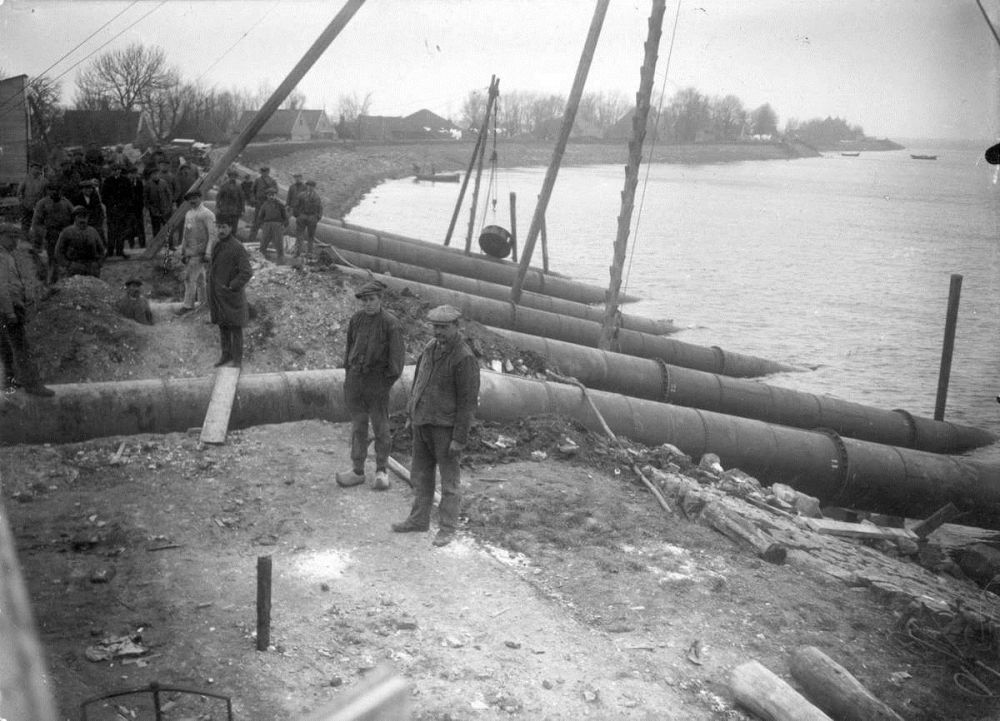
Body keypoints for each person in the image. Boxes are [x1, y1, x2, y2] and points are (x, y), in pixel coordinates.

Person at [392, 304, 480, 547]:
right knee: (420, 475)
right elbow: (419, 382)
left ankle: (448, 528)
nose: (438, 332)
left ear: (456, 327)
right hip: (423, 422)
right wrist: (411, 413)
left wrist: (459, 438)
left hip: (445, 428)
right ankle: (419, 519)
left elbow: (468, 402)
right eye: (435, 327)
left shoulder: (464, 358)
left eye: (444, 327)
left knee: (449, 483)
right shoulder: (430, 348)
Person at [336, 280, 405, 491]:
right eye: (364, 300)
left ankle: (381, 471)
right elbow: (349, 350)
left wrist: (383, 385)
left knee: (381, 428)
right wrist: (350, 376)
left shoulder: (391, 324)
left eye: (371, 299)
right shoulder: (356, 320)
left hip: (377, 384)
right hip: (356, 381)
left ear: (380, 299)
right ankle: (357, 471)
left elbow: (396, 363)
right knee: (358, 427)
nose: (367, 304)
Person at [0, 224, 54, 397]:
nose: (14, 242)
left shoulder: (7, 255)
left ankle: (10, 381)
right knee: (21, 347)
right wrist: (10, 312)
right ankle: (32, 384)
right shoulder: (2, 257)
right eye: (10, 238)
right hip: (9, 307)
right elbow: (3, 288)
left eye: (16, 238)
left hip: (6, 307)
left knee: (6, 347)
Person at [207, 219, 252, 368]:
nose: (220, 230)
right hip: (218, 294)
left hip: (232, 295)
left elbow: (246, 272)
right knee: (223, 325)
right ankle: (226, 355)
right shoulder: (216, 244)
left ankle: (237, 360)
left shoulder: (237, 247)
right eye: (218, 226)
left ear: (231, 228)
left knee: (235, 327)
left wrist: (231, 286)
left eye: (224, 227)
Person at [176, 189, 217, 315]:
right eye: (190, 199)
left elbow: (212, 235)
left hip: (200, 252)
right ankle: (204, 302)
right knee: (200, 279)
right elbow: (185, 234)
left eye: (195, 198)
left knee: (189, 279)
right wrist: (183, 250)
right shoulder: (189, 214)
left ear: (200, 198)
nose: (192, 201)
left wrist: (208, 253)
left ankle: (188, 306)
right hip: (190, 251)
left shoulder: (207, 214)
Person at [30, 184, 75, 284]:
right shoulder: (42, 203)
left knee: (66, 257)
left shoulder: (66, 202)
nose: (55, 192)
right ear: (48, 191)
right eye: (52, 190)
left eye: (57, 190)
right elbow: (36, 223)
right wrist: (44, 234)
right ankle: (52, 281)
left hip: (65, 234)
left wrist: (72, 231)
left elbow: (74, 216)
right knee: (53, 258)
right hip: (51, 235)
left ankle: (66, 280)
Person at [55, 206, 106, 279]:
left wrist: (98, 264)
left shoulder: (93, 231)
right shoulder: (67, 232)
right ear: (75, 218)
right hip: (74, 268)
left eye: (85, 217)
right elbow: (58, 252)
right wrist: (68, 265)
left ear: (88, 218)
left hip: (91, 268)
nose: (82, 220)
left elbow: (101, 250)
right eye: (79, 217)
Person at [101, 165, 132, 257]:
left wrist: (123, 205)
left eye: (118, 169)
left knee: (121, 231)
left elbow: (129, 195)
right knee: (111, 231)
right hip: (111, 210)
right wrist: (111, 205)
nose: (116, 171)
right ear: (112, 171)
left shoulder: (126, 181)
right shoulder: (107, 181)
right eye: (114, 170)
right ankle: (110, 251)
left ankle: (120, 250)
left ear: (120, 170)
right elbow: (104, 196)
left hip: (122, 210)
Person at [250, 186, 288, 262]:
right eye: (269, 195)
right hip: (267, 224)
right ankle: (260, 259)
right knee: (264, 242)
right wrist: (262, 225)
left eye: (273, 195)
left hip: (277, 225)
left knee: (279, 243)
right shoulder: (265, 205)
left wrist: (284, 225)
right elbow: (260, 216)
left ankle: (281, 260)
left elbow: (285, 216)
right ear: (267, 196)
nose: (271, 197)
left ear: (275, 195)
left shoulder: (280, 205)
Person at [143, 166, 175, 249]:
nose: (156, 175)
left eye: (157, 174)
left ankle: (170, 245)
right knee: (156, 229)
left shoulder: (164, 183)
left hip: (166, 210)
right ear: (151, 175)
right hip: (155, 211)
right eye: (153, 174)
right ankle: (156, 247)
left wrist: (169, 206)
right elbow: (145, 200)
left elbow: (169, 195)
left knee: (168, 228)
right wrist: (151, 209)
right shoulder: (148, 185)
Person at [292, 179, 323, 257]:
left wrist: (317, 218)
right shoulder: (301, 195)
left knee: (311, 236)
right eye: (308, 186)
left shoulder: (317, 197)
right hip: (302, 216)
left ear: (314, 187)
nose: (310, 187)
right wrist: (297, 215)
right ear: (307, 186)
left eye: (311, 186)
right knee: (299, 235)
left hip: (312, 218)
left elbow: (320, 209)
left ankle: (309, 253)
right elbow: (296, 206)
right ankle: (297, 252)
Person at [16, 162, 48, 236]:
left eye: (38, 169)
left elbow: (47, 194)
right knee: (25, 223)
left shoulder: (44, 181)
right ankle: (24, 237)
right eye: (35, 168)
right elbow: (19, 192)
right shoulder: (25, 179)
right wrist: (22, 202)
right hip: (27, 205)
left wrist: (44, 204)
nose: (36, 170)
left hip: (39, 206)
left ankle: (37, 238)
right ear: (31, 169)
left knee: (39, 223)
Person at [124, 165, 146, 249]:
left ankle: (142, 244)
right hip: (129, 209)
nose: (134, 175)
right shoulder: (126, 183)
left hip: (138, 209)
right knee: (130, 228)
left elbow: (141, 195)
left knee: (140, 227)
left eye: (135, 173)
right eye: (132, 173)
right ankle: (131, 244)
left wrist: (141, 206)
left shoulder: (139, 182)